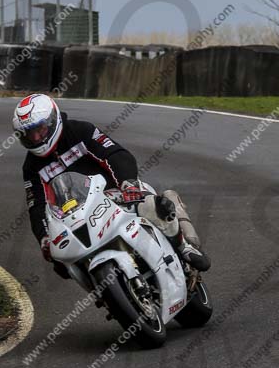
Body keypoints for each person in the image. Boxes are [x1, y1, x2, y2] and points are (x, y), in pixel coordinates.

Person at [12, 93, 210, 274]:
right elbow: (36, 206)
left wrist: (128, 183)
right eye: (30, 134)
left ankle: (184, 246)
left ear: (52, 120)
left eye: (40, 129)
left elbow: (115, 154)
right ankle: (106, 292)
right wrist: (44, 239)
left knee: (152, 206)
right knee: (63, 265)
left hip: (115, 194)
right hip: (76, 217)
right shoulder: (31, 167)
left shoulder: (80, 131)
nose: (36, 137)